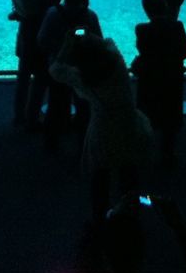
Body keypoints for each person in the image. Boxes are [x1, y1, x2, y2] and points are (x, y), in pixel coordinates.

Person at [50, 31, 154, 219]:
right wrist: (88, 36)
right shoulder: (117, 63)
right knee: (129, 168)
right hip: (128, 120)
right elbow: (108, 41)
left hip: (103, 126)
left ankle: (100, 215)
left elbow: (55, 70)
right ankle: (131, 211)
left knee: (100, 171)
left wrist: (67, 45)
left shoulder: (81, 76)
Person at [38, 0, 102, 152]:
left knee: (56, 104)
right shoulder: (90, 15)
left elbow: (42, 40)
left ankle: (51, 143)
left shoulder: (52, 13)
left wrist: (55, 52)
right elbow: (99, 41)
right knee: (83, 105)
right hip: (82, 68)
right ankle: (84, 144)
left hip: (58, 67)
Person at [131, 0, 186, 165]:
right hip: (172, 77)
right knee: (170, 117)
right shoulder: (177, 26)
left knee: (147, 112)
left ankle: (142, 151)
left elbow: (143, 50)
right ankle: (168, 154)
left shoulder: (141, 29)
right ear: (166, 6)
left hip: (150, 78)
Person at [7, 0, 62, 129]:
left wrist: (18, 11)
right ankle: (32, 117)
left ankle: (18, 114)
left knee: (22, 75)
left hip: (23, 28)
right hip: (36, 30)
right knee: (40, 76)